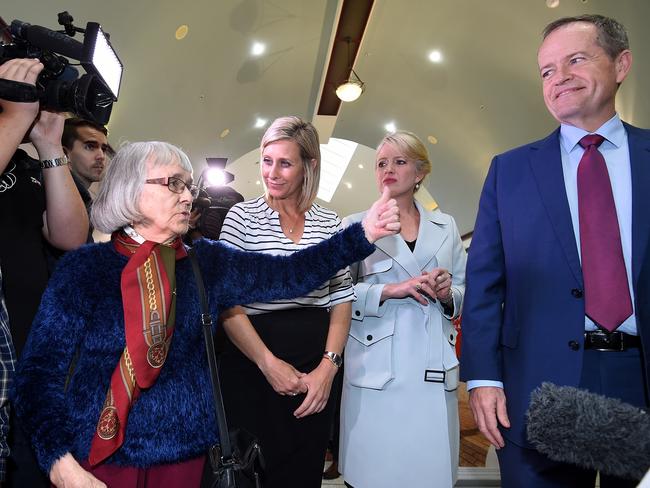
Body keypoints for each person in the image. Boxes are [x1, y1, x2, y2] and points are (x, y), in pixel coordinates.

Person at [12, 139, 399, 488]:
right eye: (173, 184)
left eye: (188, 186)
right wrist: (59, 462)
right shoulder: (83, 270)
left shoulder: (206, 264)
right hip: (97, 460)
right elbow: (38, 375)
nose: (188, 197)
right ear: (130, 190)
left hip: (185, 458)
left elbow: (290, 273)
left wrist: (360, 234)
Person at [460, 14, 650, 488]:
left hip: (638, 376)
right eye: (547, 70)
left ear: (621, 63)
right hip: (545, 383)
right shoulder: (510, 172)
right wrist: (484, 378)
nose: (558, 77)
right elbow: (485, 284)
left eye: (576, 60)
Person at [217, 116, 354, 488]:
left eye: (285, 163)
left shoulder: (330, 224)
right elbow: (228, 305)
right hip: (253, 366)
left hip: (315, 370)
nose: (271, 173)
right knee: (252, 471)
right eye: (266, 160)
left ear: (309, 165)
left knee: (302, 473)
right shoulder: (241, 218)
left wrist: (328, 369)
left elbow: (341, 302)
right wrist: (268, 363)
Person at [340, 131, 467, 488]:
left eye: (399, 161)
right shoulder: (354, 226)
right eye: (381, 163)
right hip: (377, 372)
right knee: (373, 475)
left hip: (432, 368)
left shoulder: (447, 226)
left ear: (420, 172)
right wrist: (388, 290)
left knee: (428, 475)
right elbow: (337, 293)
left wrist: (446, 293)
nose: (388, 169)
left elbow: (463, 289)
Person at [0, 58, 90, 488]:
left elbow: (70, 236)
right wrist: (15, 117)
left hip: (28, 361)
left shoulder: (22, 163)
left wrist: (51, 147)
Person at [61, 117, 113, 242]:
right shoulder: (52, 193)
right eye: (90, 147)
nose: (101, 156)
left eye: (104, 149)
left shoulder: (87, 202)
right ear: (65, 154)